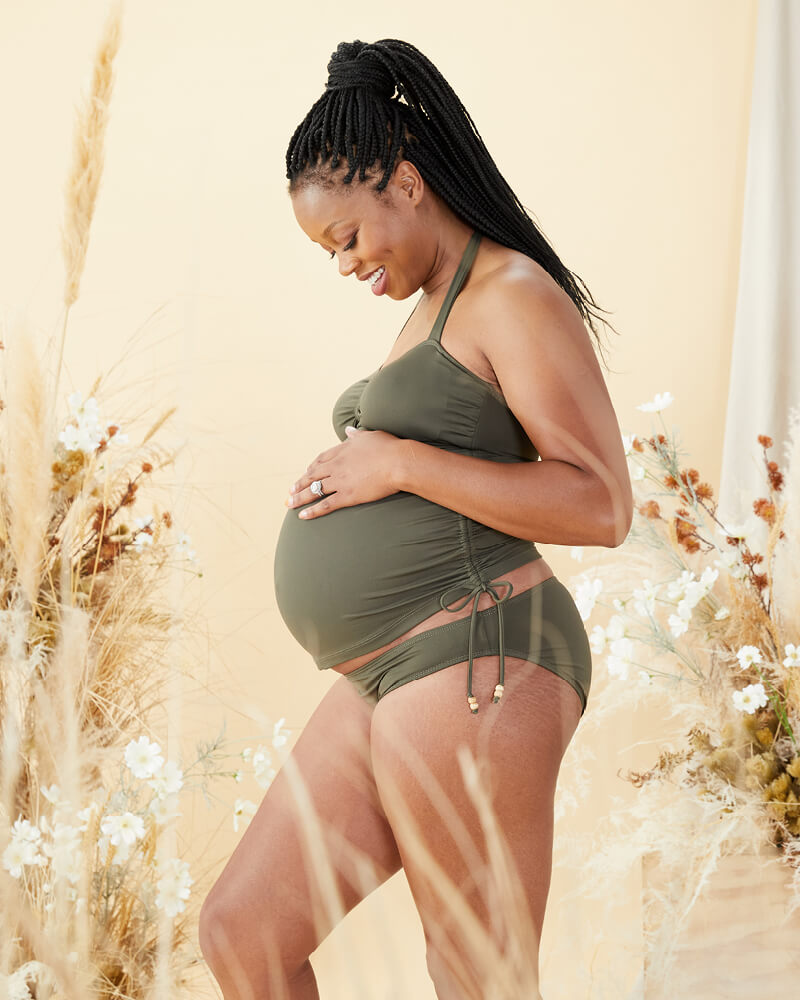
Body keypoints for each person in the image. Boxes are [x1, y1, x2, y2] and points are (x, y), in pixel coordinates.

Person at [199, 37, 633, 1000]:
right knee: (241, 933)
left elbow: (603, 503)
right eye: (327, 252)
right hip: (390, 669)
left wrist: (395, 459)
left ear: (404, 181)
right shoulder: (435, 305)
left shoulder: (510, 294)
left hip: (475, 644)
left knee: (476, 974)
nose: (344, 264)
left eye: (349, 237)